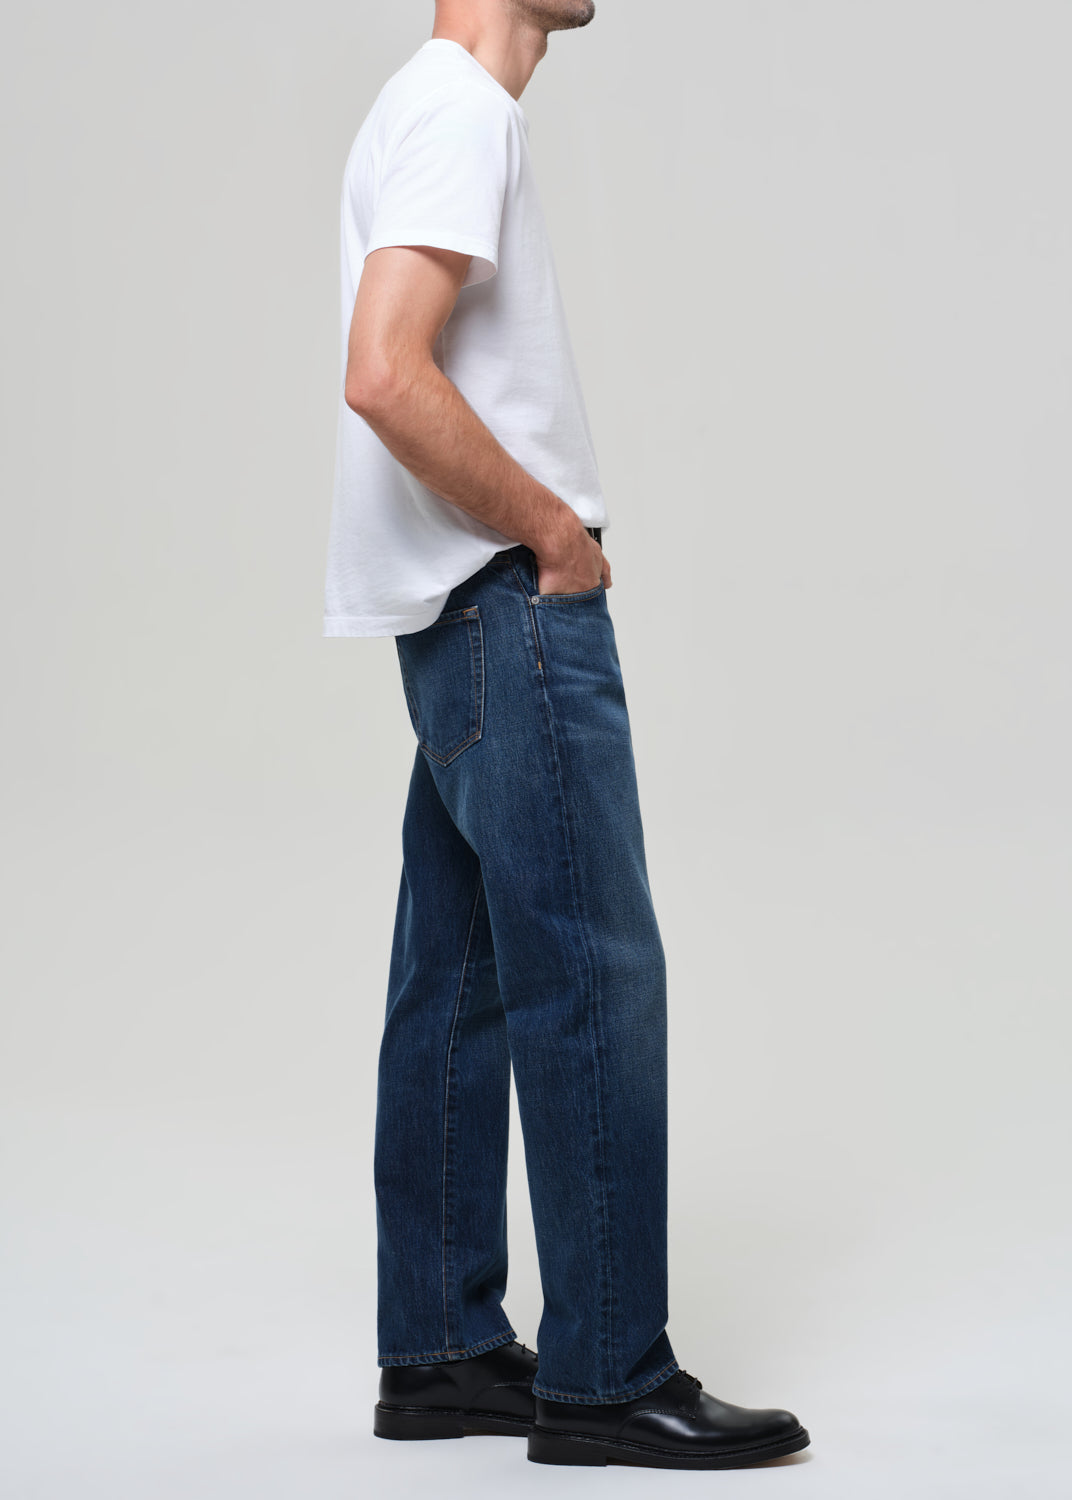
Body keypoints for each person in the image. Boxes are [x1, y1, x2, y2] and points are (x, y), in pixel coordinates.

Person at [323, 0, 810, 1470]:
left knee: (457, 979)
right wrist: (551, 531)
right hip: (511, 607)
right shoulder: (464, 107)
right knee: (592, 968)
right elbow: (386, 369)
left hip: (450, 619)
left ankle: (445, 1351)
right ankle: (605, 1371)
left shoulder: (426, 103)